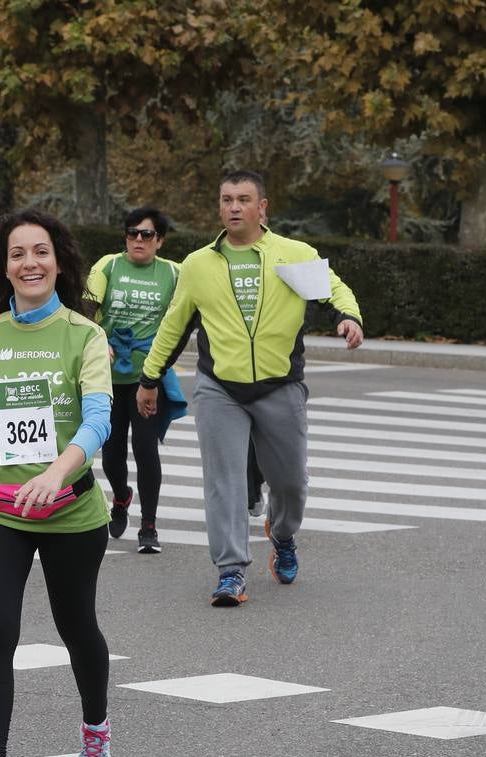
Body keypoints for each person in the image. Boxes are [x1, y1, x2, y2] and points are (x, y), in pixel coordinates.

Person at [0, 209, 115, 757]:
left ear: (59, 260)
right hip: (0, 509)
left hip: (71, 510)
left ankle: (96, 727)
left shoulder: (84, 336)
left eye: (39, 251)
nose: (29, 263)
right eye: (17, 254)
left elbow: (98, 420)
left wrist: (56, 473)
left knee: (77, 627)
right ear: (4, 267)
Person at [138, 170, 363, 606]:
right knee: (223, 481)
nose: (234, 207)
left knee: (291, 482)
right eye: (226, 200)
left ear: (263, 207)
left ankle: (281, 534)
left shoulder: (294, 254)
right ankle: (231, 571)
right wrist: (149, 379)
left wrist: (348, 316)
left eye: (244, 199)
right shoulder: (200, 264)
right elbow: (174, 325)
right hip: (220, 388)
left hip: (280, 386)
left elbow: (333, 291)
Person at [86, 207, 181, 554]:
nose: (138, 240)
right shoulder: (108, 265)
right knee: (111, 453)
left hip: (148, 377)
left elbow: (186, 318)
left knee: (145, 448)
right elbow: (86, 308)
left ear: (160, 240)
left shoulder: (173, 273)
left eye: (146, 234)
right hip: (107, 377)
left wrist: (161, 365)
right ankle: (122, 496)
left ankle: (149, 526)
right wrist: (98, 339)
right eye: (131, 233)